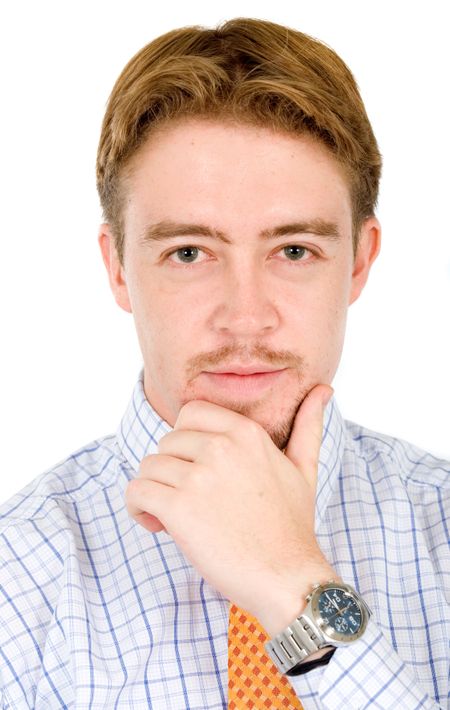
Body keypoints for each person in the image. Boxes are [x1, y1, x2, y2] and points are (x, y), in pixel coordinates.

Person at [0, 16, 448, 710]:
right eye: (188, 253)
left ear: (359, 261)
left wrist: (292, 587)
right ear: (117, 268)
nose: (245, 316)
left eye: (294, 250)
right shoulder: (16, 575)